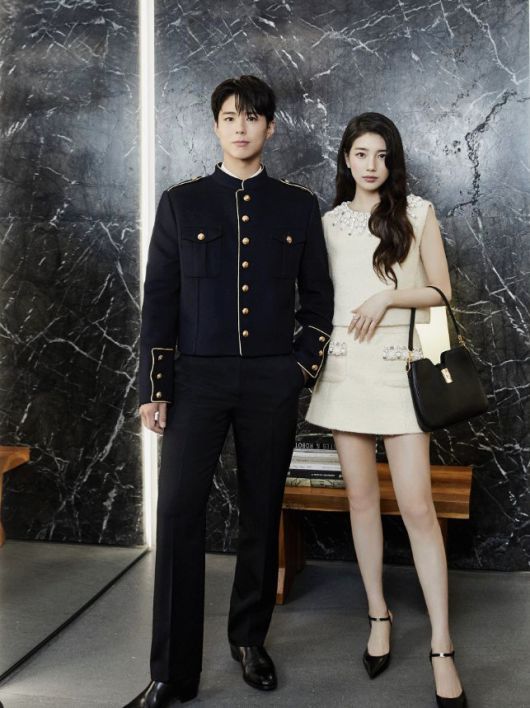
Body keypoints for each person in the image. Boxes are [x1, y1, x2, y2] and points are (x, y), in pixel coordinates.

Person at [125, 75, 333, 707]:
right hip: (197, 381)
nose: (241, 127)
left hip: (271, 380)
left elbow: (319, 299)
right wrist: (155, 387)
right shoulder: (180, 203)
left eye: (252, 117)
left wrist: (299, 368)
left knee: (261, 512)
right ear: (216, 126)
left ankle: (249, 640)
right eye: (229, 117)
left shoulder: (297, 206)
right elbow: (160, 300)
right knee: (177, 514)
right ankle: (172, 672)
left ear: (270, 127)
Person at [306, 112, 467, 708]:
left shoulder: (417, 213)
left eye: (381, 155)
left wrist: (390, 296)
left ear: (391, 161)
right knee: (361, 500)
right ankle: (378, 613)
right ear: (346, 159)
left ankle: (442, 644)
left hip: (400, 370)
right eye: (360, 154)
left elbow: (441, 291)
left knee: (418, 506)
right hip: (346, 370)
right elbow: (316, 298)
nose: (371, 165)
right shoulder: (328, 223)